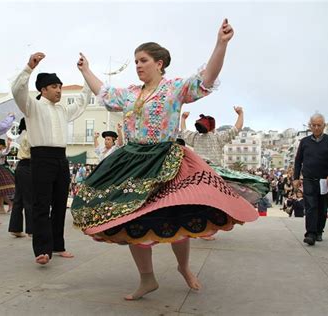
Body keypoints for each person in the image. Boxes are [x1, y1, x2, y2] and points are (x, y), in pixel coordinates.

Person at [72, 19, 258, 300]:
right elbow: (103, 92)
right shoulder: (131, 94)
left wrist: (221, 44)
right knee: (131, 218)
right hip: (132, 162)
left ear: (159, 63)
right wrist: (86, 70)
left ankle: (183, 267)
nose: (137, 65)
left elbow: (206, 79)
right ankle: (147, 279)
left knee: (176, 217)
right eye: (135, 61)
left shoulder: (174, 89)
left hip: (166, 160)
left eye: (143, 60)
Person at [11, 52, 92, 265]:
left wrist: (85, 73)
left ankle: (58, 245)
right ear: (43, 89)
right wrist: (29, 67)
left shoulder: (62, 110)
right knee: (41, 204)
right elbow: (17, 90)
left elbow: (83, 101)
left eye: (60, 87)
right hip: (41, 158)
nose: (59, 90)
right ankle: (42, 249)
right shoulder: (32, 106)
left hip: (60, 159)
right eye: (55, 87)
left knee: (59, 204)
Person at [181, 106, 269, 204]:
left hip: (198, 172)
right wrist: (240, 114)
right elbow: (236, 129)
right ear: (213, 127)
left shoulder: (195, 137)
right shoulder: (218, 137)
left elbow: (184, 132)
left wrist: (183, 118)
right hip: (214, 173)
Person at [293, 113, 328, 246]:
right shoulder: (305, 142)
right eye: (314, 125)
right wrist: (296, 177)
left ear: (324, 126)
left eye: (319, 125)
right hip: (309, 179)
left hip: (325, 180)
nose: (317, 128)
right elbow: (298, 161)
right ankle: (310, 234)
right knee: (311, 206)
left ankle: (319, 231)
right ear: (310, 126)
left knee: (322, 207)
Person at [8, 118, 33, 238]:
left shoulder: (22, 134)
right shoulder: (30, 135)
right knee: (29, 198)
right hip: (28, 165)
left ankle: (15, 228)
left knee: (19, 198)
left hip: (20, 166)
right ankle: (31, 229)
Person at [0, 137, 15, 214]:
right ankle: (4, 207)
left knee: (0, 191)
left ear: (1, 146)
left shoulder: (1, 152)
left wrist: (8, 145)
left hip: (0, 171)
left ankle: (7, 205)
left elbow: (6, 151)